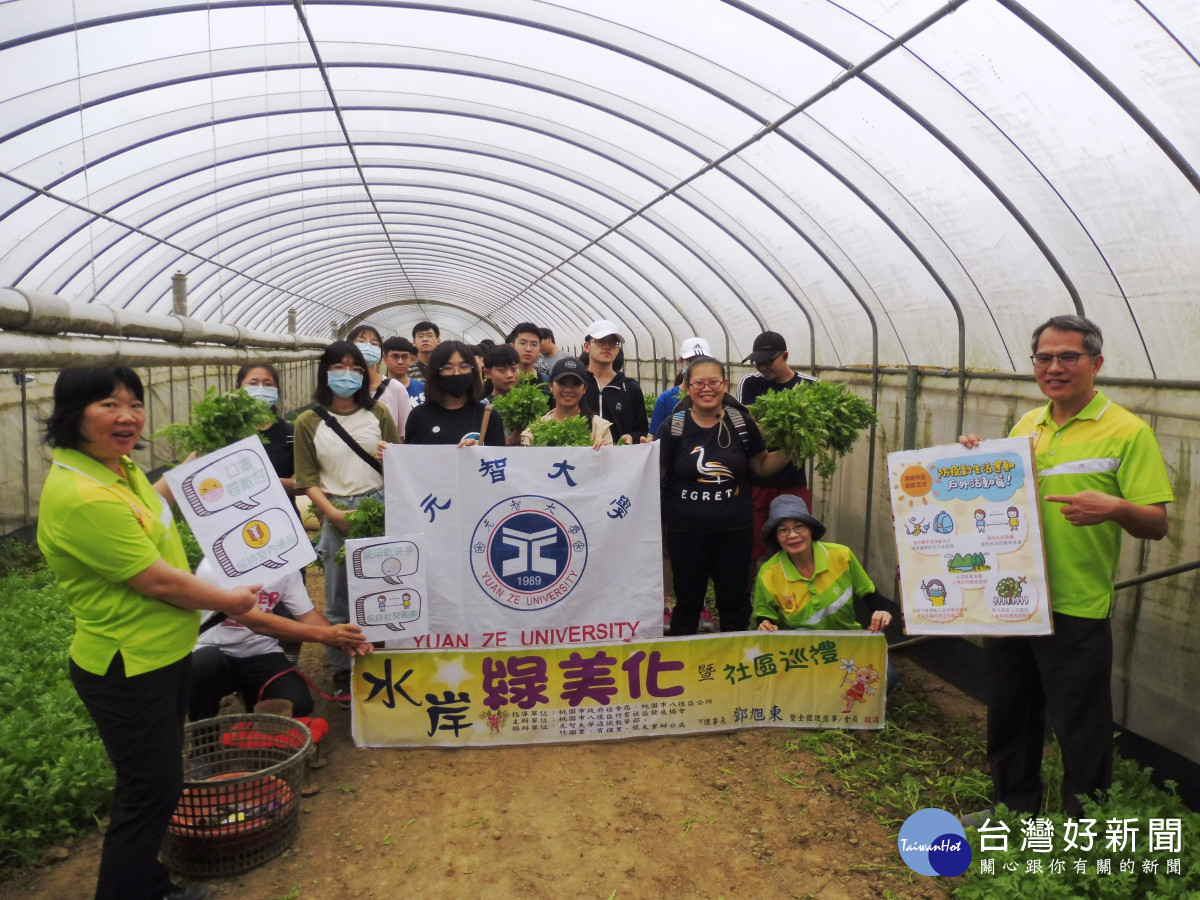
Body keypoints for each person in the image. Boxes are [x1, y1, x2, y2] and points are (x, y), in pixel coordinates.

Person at [37, 367, 259, 900]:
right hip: (128, 666)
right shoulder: (83, 496)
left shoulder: (112, 469)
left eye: (134, 404)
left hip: (159, 655)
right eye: (109, 405)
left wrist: (189, 475)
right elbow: (157, 581)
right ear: (74, 414)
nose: (127, 416)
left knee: (158, 786)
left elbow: (151, 507)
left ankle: (151, 885)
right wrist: (233, 601)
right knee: (147, 796)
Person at [958, 315, 1172, 823]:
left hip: (1076, 601)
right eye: (1044, 358)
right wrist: (973, 462)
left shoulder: (1127, 432)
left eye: (1068, 357)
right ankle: (1013, 807)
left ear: (1095, 363)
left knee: (1080, 722)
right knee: (1012, 710)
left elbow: (1157, 524)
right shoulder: (1026, 426)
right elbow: (1002, 499)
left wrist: (1116, 508)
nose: (1054, 367)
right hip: (1013, 597)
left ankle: (1085, 823)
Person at [293, 342, 402, 702]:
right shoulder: (308, 421)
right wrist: (334, 514)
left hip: (378, 505)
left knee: (386, 585)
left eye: (356, 369)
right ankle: (343, 668)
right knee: (339, 595)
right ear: (325, 372)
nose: (348, 375)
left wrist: (392, 457)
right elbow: (307, 479)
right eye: (339, 367)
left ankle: (386, 657)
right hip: (336, 509)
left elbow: (400, 468)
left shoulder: (379, 413)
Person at [656, 355, 791, 634]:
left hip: (734, 530)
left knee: (733, 602)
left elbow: (762, 465)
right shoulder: (674, 426)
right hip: (685, 532)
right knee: (688, 602)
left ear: (725, 384)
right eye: (698, 383)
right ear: (687, 387)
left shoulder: (741, 424)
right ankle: (687, 662)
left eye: (714, 382)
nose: (707, 389)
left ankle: (732, 662)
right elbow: (656, 472)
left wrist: (794, 447)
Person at [188, 561, 370, 720]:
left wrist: (346, 641)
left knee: (297, 704)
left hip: (260, 651)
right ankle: (204, 738)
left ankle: (253, 704)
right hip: (212, 650)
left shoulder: (285, 567)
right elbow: (256, 622)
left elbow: (307, 616)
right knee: (203, 665)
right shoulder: (213, 567)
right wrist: (326, 635)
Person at [752, 495, 896, 689]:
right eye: (783, 530)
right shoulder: (768, 573)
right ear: (776, 538)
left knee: (887, 678)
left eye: (799, 526)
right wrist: (765, 625)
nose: (792, 535)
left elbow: (871, 595)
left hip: (848, 640)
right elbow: (763, 616)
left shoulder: (841, 555)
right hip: (802, 651)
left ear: (810, 529)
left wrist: (882, 611)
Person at [738, 330, 818, 568]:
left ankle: (789, 599)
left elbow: (814, 432)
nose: (762, 367)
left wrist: (768, 426)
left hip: (792, 482)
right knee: (750, 549)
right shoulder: (750, 383)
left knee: (792, 547)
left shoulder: (809, 386)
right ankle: (747, 600)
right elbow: (749, 426)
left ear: (785, 356)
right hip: (755, 482)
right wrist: (792, 432)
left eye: (767, 361)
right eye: (757, 362)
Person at [403, 340, 507, 446]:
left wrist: (479, 453)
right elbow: (410, 459)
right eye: (448, 368)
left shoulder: (488, 416)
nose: (457, 373)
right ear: (435, 373)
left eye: (464, 367)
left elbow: (498, 458)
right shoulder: (419, 416)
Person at [582, 319, 650, 444]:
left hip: (619, 459)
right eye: (600, 341)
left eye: (613, 342)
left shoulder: (630, 388)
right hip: (583, 459)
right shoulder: (577, 385)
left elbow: (641, 430)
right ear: (587, 346)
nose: (607, 346)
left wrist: (632, 437)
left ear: (618, 350)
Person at [520, 357, 614, 448]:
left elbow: (610, 463)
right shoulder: (534, 431)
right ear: (551, 386)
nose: (568, 390)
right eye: (562, 383)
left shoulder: (599, 428)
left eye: (576, 384)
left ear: (584, 388)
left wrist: (604, 451)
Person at [236, 362, 295, 494]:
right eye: (253, 383)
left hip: (280, 512)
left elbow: (308, 482)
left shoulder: (290, 433)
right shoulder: (225, 432)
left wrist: (268, 482)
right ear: (238, 390)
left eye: (268, 384)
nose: (261, 389)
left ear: (277, 390)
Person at [347, 323, 410, 438]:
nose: (368, 347)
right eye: (361, 342)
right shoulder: (343, 387)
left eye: (374, 343)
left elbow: (405, 434)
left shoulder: (395, 388)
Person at [648, 336, 711, 435]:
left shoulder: (713, 398)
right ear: (681, 362)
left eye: (702, 361)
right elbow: (655, 437)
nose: (696, 366)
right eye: (691, 361)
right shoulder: (666, 399)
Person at [382, 335, 425, 407]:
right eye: (395, 356)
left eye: (405, 357)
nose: (400, 361)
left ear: (410, 359)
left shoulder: (423, 389)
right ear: (385, 358)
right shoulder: (376, 389)